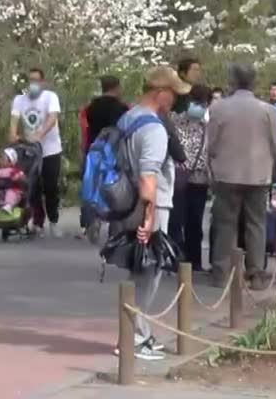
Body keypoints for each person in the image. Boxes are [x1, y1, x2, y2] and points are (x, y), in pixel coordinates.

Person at [112, 65, 191, 361]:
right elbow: (149, 177)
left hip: (127, 200)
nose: (175, 100)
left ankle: (140, 332)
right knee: (150, 269)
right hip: (150, 204)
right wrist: (149, 216)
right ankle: (132, 338)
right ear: (160, 93)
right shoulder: (154, 128)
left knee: (141, 268)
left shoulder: (128, 117)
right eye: (173, 94)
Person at [205, 64, 276, 290]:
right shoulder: (268, 110)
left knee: (225, 224)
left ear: (232, 81)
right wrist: (268, 160)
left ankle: (221, 272)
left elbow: (210, 144)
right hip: (258, 174)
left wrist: (216, 160)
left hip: (226, 173)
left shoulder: (219, 108)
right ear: (254, 82)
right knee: (256, 224)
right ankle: (256, 273)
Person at [9, 68, 63, 237]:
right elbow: (14, 119)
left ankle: (53, 221)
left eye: (36, 80)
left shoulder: (50, 97)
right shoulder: (19, 100)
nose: (33, 84)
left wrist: (39, 134)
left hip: (50, 149)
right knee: (32, 187)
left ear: (42, 82)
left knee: (50, 187)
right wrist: (12, 134)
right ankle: (37, 223)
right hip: (30, 151)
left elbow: (52, 118)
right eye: (30, 80)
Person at [169, 84, 212, 272]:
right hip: (177, 177)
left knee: (195, 221)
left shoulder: (208, 127)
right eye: (195, 102)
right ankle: (175, 258)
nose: (198, 106)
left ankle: (194, 260)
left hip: (200, 179)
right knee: (176, 219)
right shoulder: (175, 121)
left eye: (202, 103)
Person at [81, 76, 129, 240]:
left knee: (92, 186)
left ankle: (91, 221)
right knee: (114, 186)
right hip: (114, 150)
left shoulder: (91, 107)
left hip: (95, 149)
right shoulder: (122, 108)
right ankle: (115, 226)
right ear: (117, 87)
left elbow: (87, 129)